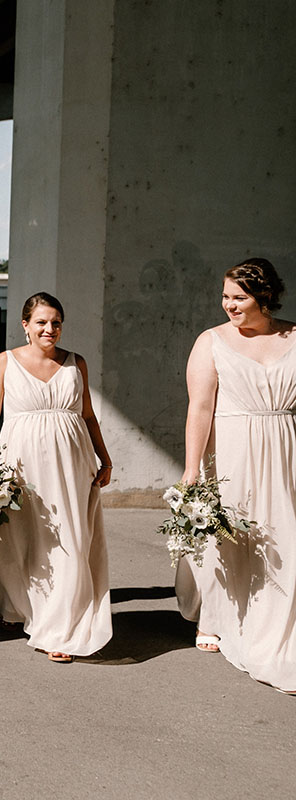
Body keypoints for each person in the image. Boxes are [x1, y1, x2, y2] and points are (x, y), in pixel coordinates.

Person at [0, 292, 112, 663]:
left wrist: (105, 458)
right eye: (42, 322)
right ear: (25, 325)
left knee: (71, 538)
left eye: (56, 323)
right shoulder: (6, 362)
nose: (50, 329)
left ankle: (60, 627)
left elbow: (88, 416)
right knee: (22, 538)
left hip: (72, 465)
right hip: (22, 464)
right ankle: (19, 604)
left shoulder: (75, 362)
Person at [176, 258, 296, 692]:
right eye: (225, 296)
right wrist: (192, 469)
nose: (229, 305)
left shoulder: (295, 336)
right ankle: (215, 616)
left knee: (283, 536)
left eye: (238, 297)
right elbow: (200, 408)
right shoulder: (211, 341)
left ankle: (278, 623)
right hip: (231, 452)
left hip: (286, 449)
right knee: (229, 536)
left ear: (263, 296)